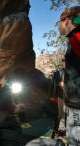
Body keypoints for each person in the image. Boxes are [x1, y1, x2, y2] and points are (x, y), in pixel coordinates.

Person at [58, 6, 80, 146]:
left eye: (58, 23)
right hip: (74, 102)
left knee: (75, 141)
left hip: (78, 104)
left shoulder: (77, 37)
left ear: (66, 21)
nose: (58, 27)